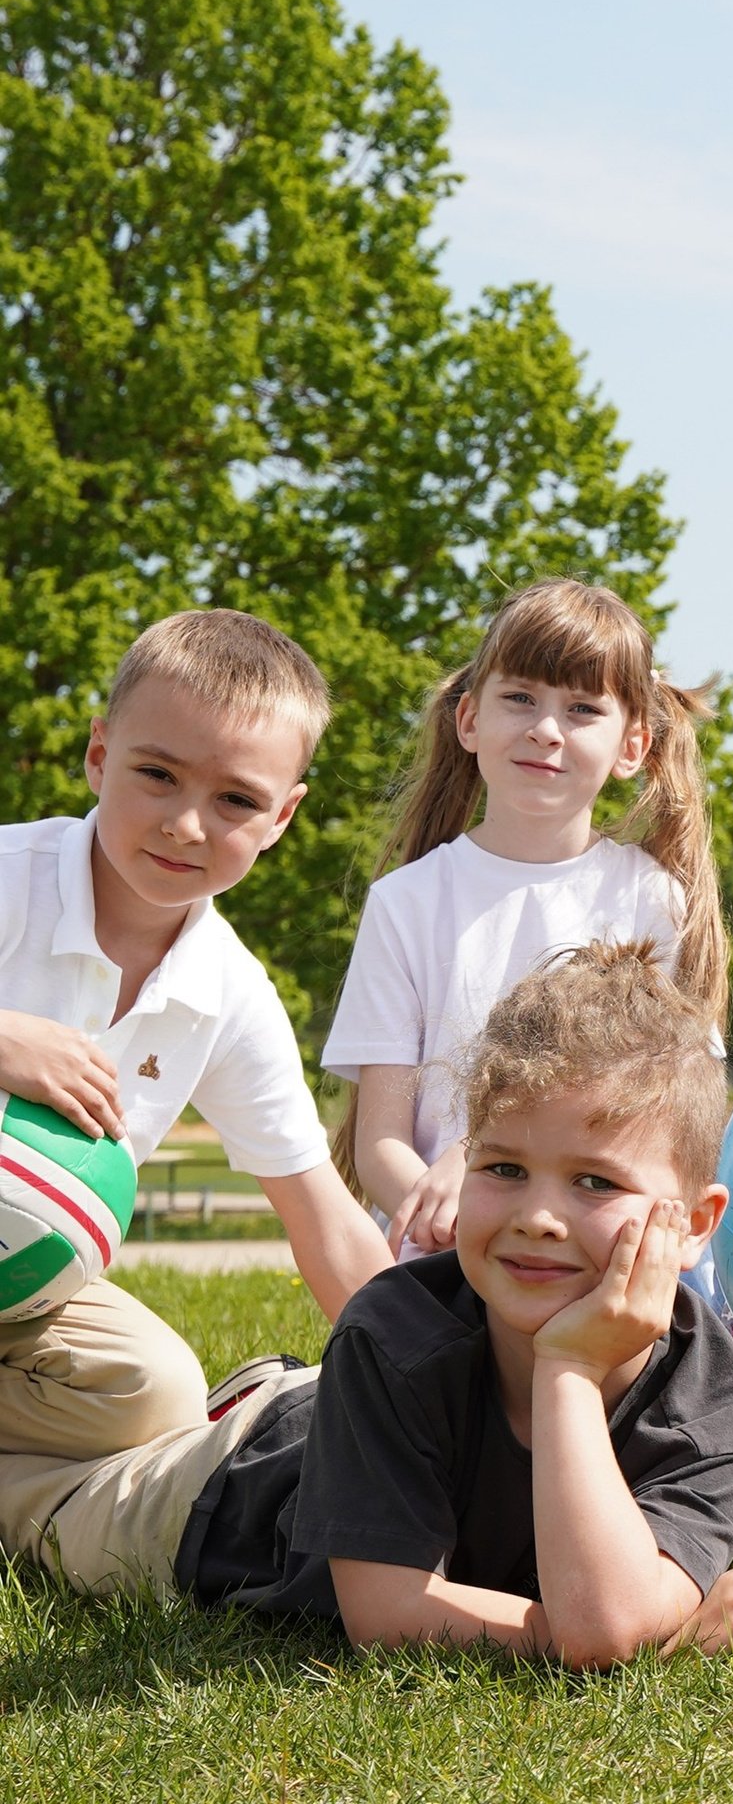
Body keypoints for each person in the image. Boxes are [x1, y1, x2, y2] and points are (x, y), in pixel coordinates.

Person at [0, 942, 733, 1663]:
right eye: (501, 1169)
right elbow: (393, 1612)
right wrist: (568, 1367)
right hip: (210, 1497)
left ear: (695, 1224)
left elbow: (604, 1616)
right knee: (23, 1506)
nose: (537, 1215)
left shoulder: (717, 1409)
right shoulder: (395, 1330)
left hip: (326, 1417)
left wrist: (617, 1620)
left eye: (596, 1181)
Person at [0, 612, 391, 1465]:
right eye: (157, 774)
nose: (187, 824)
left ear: (283, 815)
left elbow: (323, 1219)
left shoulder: (227, 989)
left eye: (236, 801)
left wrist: (440, 1377)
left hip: (23, 1294)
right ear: (99, 755)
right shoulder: (9, 879)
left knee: (158, 1392)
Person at [323, 579, 728, 1257]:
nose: (545, 729)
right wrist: (466, 1217)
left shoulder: (651, 898)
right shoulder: (406, 901)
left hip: (596, 1252)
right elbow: (381, 1146)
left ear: (632, 746)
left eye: (581, 709)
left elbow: (668, 1122)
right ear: (470, 719)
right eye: (520, 698)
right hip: (446, 1257)